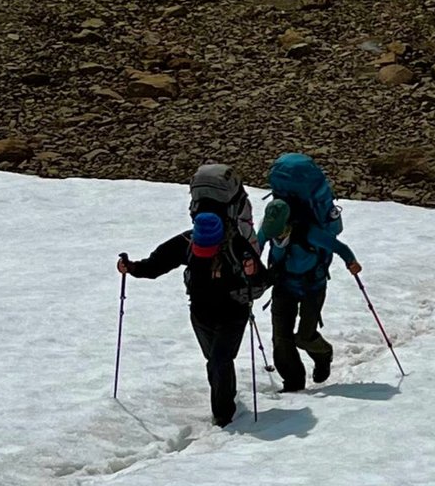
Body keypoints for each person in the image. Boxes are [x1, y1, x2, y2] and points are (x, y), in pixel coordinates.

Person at [118, 166, 267, 427]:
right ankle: (224, 402)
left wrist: (253, 273)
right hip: (202, 313)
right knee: (214, 361)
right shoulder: (195, 242)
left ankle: (223, 415)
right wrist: (130, 267)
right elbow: (155, 266)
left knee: (221, 359)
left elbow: (264, 280)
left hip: (233, 312)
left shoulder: (229, 244)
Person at [259, 154, 361, 392]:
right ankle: (293, 384)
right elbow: (256, 244)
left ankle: (323, 354)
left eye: (279, 233)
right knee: (281, 339)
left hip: (312, 287)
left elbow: (339, 247)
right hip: (283, 284)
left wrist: (351, 263)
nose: (276, 237)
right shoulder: (270, 226)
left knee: (304, 336)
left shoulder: (310, 232)